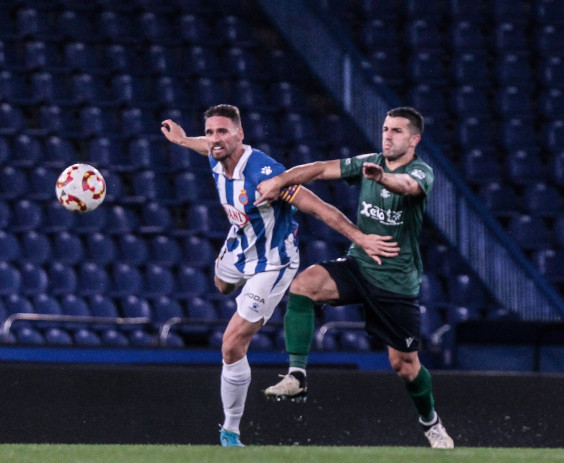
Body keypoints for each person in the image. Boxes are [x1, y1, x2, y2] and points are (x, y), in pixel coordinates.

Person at [160, 104, 400, 447]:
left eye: (223, 131)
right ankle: (236, 284)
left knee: (231, 345)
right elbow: (207, 147)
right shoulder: (216, 153)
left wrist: (360, 237)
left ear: (240, 135)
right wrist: (184, 140)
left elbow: (319, 207)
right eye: (210, 131)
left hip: (273, 263)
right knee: (222, 284)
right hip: (240, 242)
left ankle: (230, 432)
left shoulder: (263, 173)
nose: (214, 139)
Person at [254, 106, 454, 449]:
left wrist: (382, 179)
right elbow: (318, 169)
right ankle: (297, 375)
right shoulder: (369, 160)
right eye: (386, 129)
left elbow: (407, 186)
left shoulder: (421, 172)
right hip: (359, 264)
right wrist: (279, 180)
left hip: (396, 281)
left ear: (414, 139)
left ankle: (431, 422)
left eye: (396, 131)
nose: (388, 135)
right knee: (304, 285)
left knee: (404, 366)